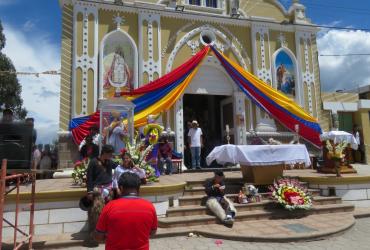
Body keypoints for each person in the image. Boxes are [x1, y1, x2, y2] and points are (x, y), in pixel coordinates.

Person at [94, 172, 157, 250]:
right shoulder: (149, 207)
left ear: (121, 188)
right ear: (138, 188)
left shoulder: (109, 207)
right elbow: (153, 232)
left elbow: (98, 236)